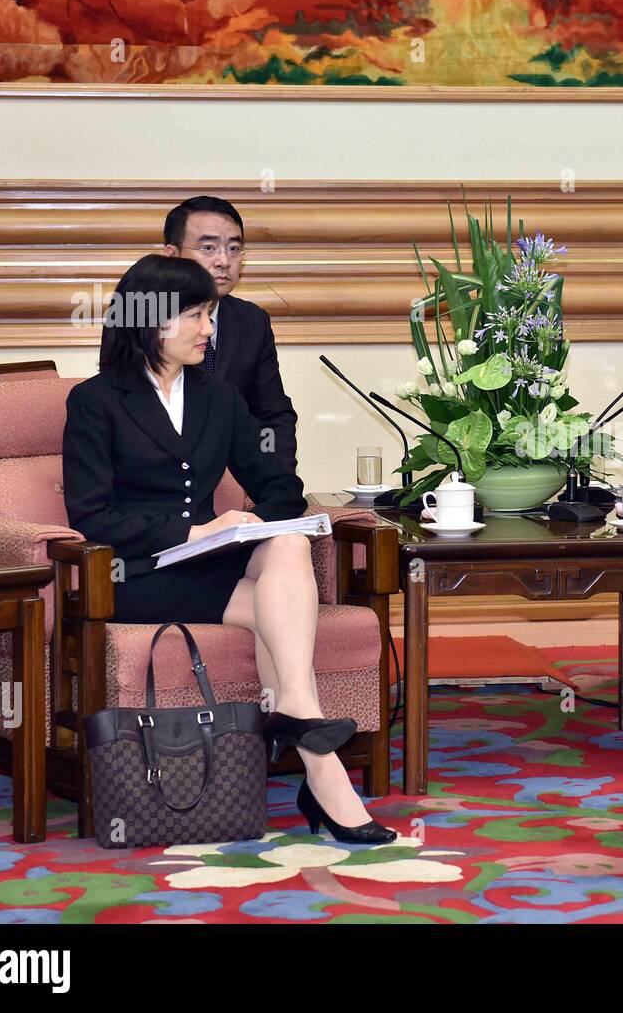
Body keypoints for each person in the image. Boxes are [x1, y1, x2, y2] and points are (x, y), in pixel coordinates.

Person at [63, 254, 394, 845]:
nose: (208, 330)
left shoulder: (217, 395)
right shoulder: (96, 401)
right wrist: (196, 533)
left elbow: (275, 478)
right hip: (135, 572)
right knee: (278, 608)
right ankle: (322, 768)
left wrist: (261, 523)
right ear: (148, 318)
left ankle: (297, 715)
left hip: (211, 559)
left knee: (288, 545)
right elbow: (91, 515)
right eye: (195, 315)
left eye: (210, 315)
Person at [163, 196, 299, 473]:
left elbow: (272, 416)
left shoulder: (252, 321)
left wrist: (274, 480)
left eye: (234, 248)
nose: (223, 260)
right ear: (172, 256)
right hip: (167, 489)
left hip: (243, 484)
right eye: (208, 247)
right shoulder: (141, 321)